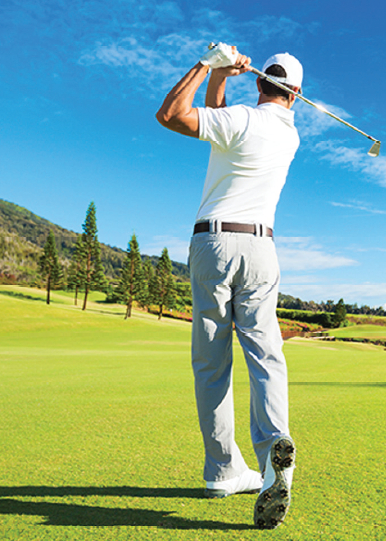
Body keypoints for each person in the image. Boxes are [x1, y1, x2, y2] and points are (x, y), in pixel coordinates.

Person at [156, 43, 299, 530]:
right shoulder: (288, 135)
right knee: (266, 355)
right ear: (295, 95)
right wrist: (221, 79)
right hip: (261, 249)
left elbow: (171, 115)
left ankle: (221, 468)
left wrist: (207, 64)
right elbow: (220, 119)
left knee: (212, 364)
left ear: (258, 82)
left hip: (213, 243)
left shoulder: (239, 119)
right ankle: (273, 447)